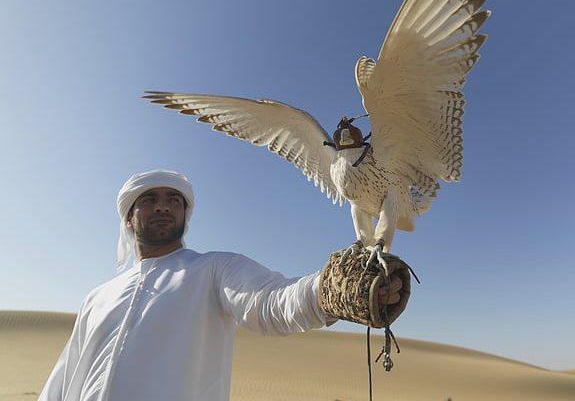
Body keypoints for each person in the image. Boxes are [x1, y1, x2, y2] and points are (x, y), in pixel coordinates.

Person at [40, 169, 405, 401]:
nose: (163, 207)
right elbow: (63, 378)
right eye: (149, 200)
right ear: (129, 218)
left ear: (185, 214)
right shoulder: (97, 298)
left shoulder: (212, 270)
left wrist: (327, 292)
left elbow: (271, 303)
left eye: (174, 201)